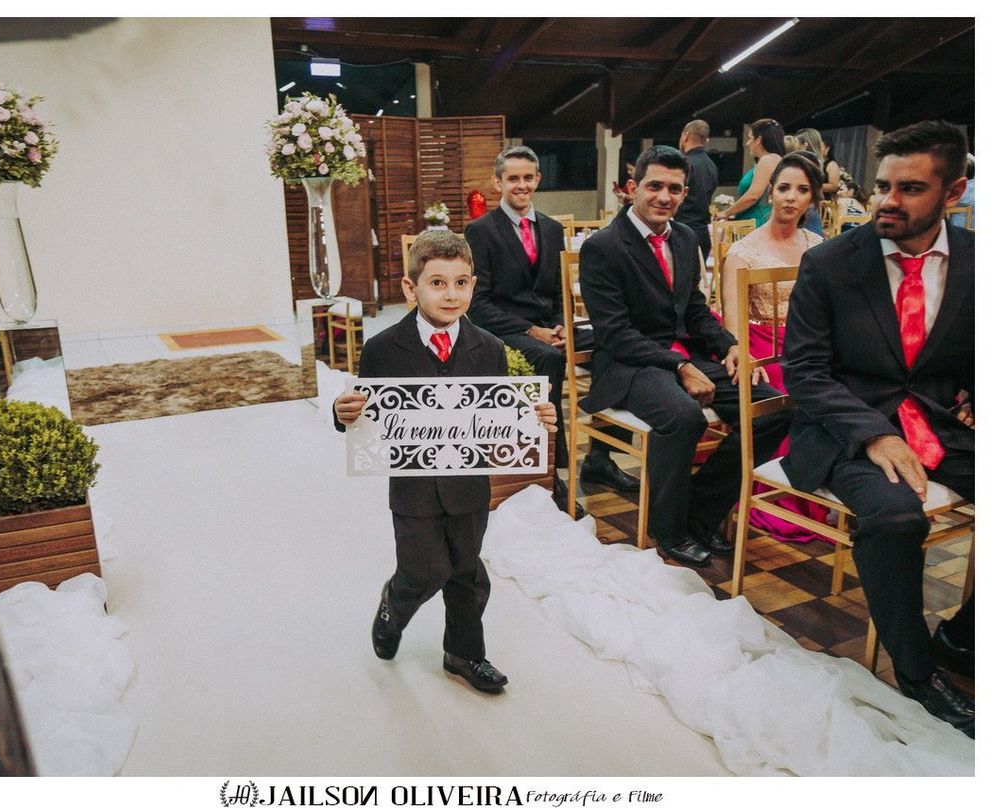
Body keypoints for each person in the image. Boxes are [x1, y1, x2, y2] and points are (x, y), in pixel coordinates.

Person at [783, 120, 974, 737]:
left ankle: (965, 635)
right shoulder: (830, 263)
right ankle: (916, 673)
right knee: (895, 518)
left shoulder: (979, 260)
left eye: (910, 189)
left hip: (941, 422)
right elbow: (803, 371)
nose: (887, 200)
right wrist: (873, 433)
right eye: (883, 185)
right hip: (844, 426)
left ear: (953, 192)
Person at [334, 229, 559, 693]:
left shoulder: (490, 348)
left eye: (460, 283)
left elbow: (496, 415)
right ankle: (393, 605)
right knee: (425, 570)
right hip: (413, 487)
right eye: (437, 283)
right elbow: (366, 416)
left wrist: (534, 418)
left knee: (467, 574)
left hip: (468, 485)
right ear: (410, 287)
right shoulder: (382, 349)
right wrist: (344, 413)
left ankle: (464, 654)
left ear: (473, 285)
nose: (450, 294)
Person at [578, 145, 789, 567]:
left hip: (680, 354)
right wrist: (681, 366)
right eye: (654, 186)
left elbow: (693, 308)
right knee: (683, 417)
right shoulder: (603, 246)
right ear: (633, 187)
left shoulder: (686, 237)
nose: (664, 196)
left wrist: (731, 345)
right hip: (628, 363)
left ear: (685, 193)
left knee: (773, 408)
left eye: (674, 189)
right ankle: (668, 528)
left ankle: (701, 511)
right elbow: (615, 333)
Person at [465, 146, 640, 518]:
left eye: (528, 177)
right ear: (498, 183)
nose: (522, 185)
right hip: (504, 329)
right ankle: (552, 472)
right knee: (547, 358)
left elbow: (561, 290)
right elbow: (478, 304)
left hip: (550, 327)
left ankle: (600, 456)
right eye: (513, 178)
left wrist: (561, 324)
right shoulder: (480, 231)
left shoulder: (552, 227)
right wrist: (534, 331)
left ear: (538, 179)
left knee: (618, 343)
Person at [721, 151, 828, 540]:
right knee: (793, 393)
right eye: (784, 188)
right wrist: (745, 354)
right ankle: (777, 493)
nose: (791, 197)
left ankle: (833, 486)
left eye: (802, 190)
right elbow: (733, 325)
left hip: (808, 343)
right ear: (770, 193)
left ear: (812, 198)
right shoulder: (743, 252)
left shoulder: (817, 244)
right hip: (762, 345)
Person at [716, 118, 786, 227]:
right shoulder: (773, 159)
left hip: (756, 222)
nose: (747, 143)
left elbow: (753, 195)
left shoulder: (767, 160)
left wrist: (726, 213)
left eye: (750, 138)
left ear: (759, 140)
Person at [675, 119, 719, 264]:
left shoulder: (684, 164)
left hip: (683, 230)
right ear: (706, 140)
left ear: (685, 136)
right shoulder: (711, 165)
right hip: (703, 232)